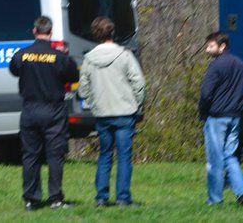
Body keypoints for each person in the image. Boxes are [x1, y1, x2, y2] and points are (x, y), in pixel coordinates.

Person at [9, 15, 80, 211]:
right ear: (51, 32)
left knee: (30, 156)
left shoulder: (21, 55)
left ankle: (31, 199)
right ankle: (56, 198)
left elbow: (14, 70)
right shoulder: (60, 58)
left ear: (34, 31)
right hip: (53, 111)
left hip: (30, 110)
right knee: (55, 156)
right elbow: (74, 76)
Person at [77, 16, 146, 208]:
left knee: (105, 155)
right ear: (112, 32)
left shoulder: (89, 59)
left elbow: (83, 89)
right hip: (125, 112)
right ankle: (123, 198)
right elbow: (139, 83)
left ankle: (101, 197)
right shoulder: (124, 55)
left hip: (102, 113)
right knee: (124, 156)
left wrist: (92, 103)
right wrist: (137, 105)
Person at [199, 31, 243, 206]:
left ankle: (215, 199)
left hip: (217, 118)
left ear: (223, 46)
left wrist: (203, 112)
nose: (207, 50)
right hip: (236, 117)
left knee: (215, 160)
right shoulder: (242, 65)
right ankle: (242, 192)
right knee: (230, 156)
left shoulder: (216, 66)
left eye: (211, 46)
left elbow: (206, 94)